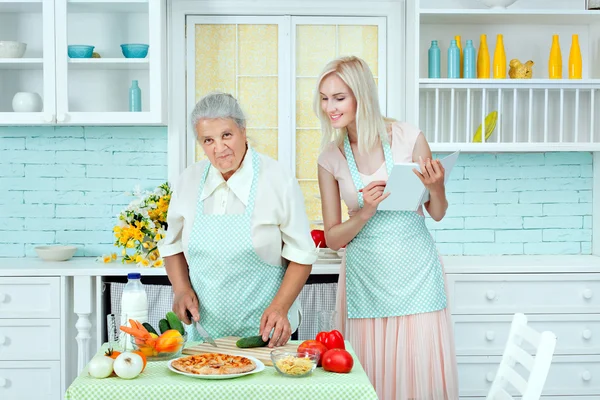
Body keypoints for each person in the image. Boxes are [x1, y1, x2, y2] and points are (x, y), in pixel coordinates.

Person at [315, 56, 458, 399]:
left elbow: (436, 213)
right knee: (370, 375)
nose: (329, 108)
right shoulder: (330, 157)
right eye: (324, 98)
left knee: (419, 370)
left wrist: (436, 188)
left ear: (361, 95)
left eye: (339, 97)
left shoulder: (409, 137)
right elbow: (333, 238)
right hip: (368, 279)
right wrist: (363, 212)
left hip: (417, 274)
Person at [159, 92, 317, 347]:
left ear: (243, 130)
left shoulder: (277, 179)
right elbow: (172, 245)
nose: (219, 149)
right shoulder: (188, 181)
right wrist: (180, 288)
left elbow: (301, 253)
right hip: (203, 335)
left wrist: (280, 307)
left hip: (266, 334)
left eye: (226, 135)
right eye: (208, 140)